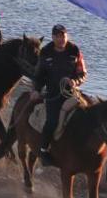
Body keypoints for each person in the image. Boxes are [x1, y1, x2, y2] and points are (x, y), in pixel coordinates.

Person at [30, 23, 87, 166]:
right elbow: (38, 75)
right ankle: (43, 151)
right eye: (57, 36)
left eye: (63, 35)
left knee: (87, 114)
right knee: (52, 121)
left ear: (67, 35)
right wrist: (36, 90)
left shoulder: (74, 50)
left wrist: (75, 81)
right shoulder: (46, 52)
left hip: (71, 93)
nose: (61, 39)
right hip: (53, 94)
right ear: (53, 37)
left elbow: (82, 73)